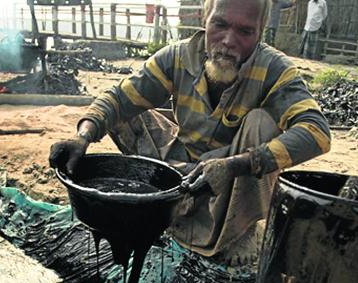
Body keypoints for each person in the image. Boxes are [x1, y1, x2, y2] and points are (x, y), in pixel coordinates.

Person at [49, 0, 330, 265]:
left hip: (231, 180)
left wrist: (237, 164)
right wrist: (83, 136)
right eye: (220, 24)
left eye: (245, 31)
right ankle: (167, 207)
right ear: (204, 19)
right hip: (182, 163)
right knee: (125, 113)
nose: (229, 41)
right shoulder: (179, 56)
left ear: (260, 33)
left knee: (262, 122)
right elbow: (119, 97)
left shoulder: (274, 70)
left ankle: (236, 231)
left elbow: (316, 132)